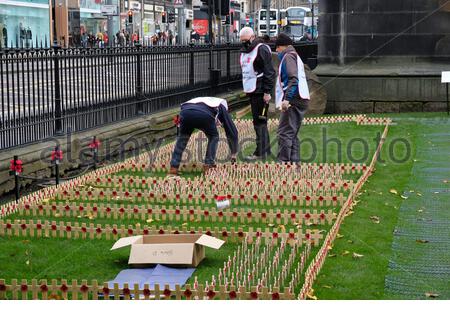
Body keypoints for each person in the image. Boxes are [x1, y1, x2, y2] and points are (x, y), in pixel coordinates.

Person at [168, 97, 238, 176]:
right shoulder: (221, 106)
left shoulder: (200, 100)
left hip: (185, 113)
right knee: (214, 136)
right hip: (204, 114)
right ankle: (208, 165)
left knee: (182, 139)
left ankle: (173, 168)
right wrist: (234, 152)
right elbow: (231, 129)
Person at [239, 27, 276, 161]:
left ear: (253, 37)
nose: (244, 43)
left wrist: (267, 91)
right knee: (259, 121)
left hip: (260, 91)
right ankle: (263, 150)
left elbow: (269, 72)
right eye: (242, 41)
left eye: (245, 40)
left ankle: (260, 151)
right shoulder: (245, 51)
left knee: (260, 122)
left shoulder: (261, 49)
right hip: (253, 91)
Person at [274, 33, 310, 164]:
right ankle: (295, 164)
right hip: (301, 98)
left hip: (294, 99)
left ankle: (283, 164)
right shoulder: (294, 55)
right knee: (292, 133)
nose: (276, 51)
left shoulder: (288, 56)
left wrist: (287, 99)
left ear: (281, 46)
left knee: (284, 132)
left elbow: (293, 79)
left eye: (277, 48)